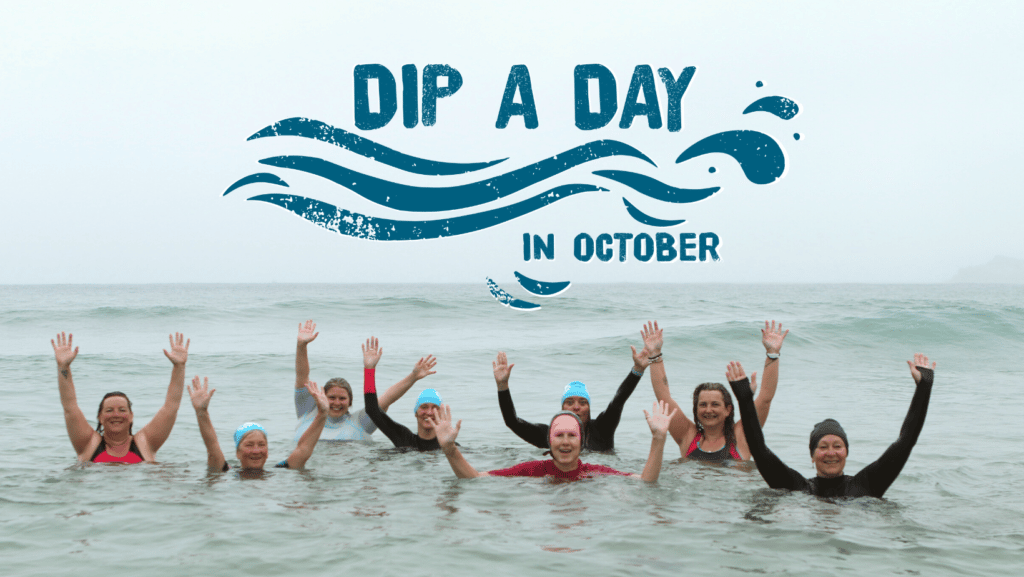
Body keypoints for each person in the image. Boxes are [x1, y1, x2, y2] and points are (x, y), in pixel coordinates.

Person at [727, 354, 935, 498]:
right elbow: (759, 450)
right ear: (812, 455)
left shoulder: (868, 484)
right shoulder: (796, 487)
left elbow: (905, 442)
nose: (831, 452)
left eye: (837, 445)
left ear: (846, 452)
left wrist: (923, 388)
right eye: (823, 446)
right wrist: (745, 400)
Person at [646, 320, 788, 461]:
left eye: (715, 404)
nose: (708, 410)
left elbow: (765, 398)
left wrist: (773, 354)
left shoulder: (742, 437)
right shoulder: (687, 436)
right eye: (702, 405)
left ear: (728, 409)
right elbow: (664, 397)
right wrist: (654, 354)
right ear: (696, 409)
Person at [431, 401, 676, 481]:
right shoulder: (531, 470)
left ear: (581, 443)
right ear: (549, 442)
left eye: (572, 435)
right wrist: (449, 449)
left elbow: (646, 482)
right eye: (559, 435)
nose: (566, 441)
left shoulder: (595, 473)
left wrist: (658, 439)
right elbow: (474, 479)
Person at [51, 331, 190, 463]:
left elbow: (170, 408)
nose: (116, 415)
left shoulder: (144, 443)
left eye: (122, 410)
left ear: (131, 416)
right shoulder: (88, 443)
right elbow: (70, 407)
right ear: (100, 417)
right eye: (109, 410)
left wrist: (179, 367)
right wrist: (63, 366)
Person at [292, 320, 437, 443]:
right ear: (322, 397)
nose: (336, 403)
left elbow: (387, 399)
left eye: (342, 398)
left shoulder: (360, 422)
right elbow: (301, 376)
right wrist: (301, 345)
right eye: (332, 398)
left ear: (350, 402)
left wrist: (413, 376)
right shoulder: (307, 411)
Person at [492, 341, 651, 452]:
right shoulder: (550, 435)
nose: (576, 407)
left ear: (589, 408)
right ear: (561, 408)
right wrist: (502, 386)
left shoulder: (602, 428)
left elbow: (618, 400)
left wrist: (637, 371)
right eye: (570, 402)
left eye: (583, 402)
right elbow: (512, 422)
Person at [188, 376, 329, 472]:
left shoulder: (280, 472)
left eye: (261, 445)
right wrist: (202, 412)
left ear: (267, 451)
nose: (256, 451)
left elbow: (304, 449)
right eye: (249, 445)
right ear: (237, 452)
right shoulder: (226, 472)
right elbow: (212, 447)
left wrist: (322, 414)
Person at [361, 336, 445, 451]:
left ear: (441, 414)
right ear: (416, 412)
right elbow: (372, 410)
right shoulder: (404, 438)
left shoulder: (450, 447)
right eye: (424, 407)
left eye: (434, 408)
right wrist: (369, 370)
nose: (429, 412)